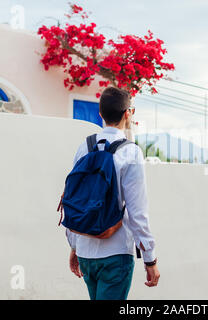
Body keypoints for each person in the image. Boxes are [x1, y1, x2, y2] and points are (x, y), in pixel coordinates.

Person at [65, 87, 159, 300]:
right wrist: (150, 259)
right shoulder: (130, 151)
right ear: (128, 113)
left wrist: (74, 245)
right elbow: (138, 212)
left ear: (101, 114)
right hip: (116, 252)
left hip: (85, 251)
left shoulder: (84, 147)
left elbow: (74, 197)